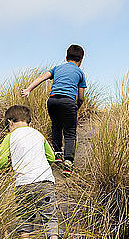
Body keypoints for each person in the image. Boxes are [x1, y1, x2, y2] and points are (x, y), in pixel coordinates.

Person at [0, 105, 61, 239]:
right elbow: (51, 157)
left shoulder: (9, 137)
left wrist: (8, 167)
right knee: (50, 216)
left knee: (25, 216)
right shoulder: (38, 135)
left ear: (10, 122)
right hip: (45, 181)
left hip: (23, 183)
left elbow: (1, 162)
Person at [22, 44, 86, 176]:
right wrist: (76, 107)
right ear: (81, 60)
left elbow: (41, 78)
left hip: (52, 101)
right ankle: (68, 164)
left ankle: (57, 154)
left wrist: (29, 89)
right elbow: (81, 97)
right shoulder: (80, 73)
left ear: (66, 57)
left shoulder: (57, 68)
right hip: (68, 102)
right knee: (69, 133)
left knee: (56, 126)